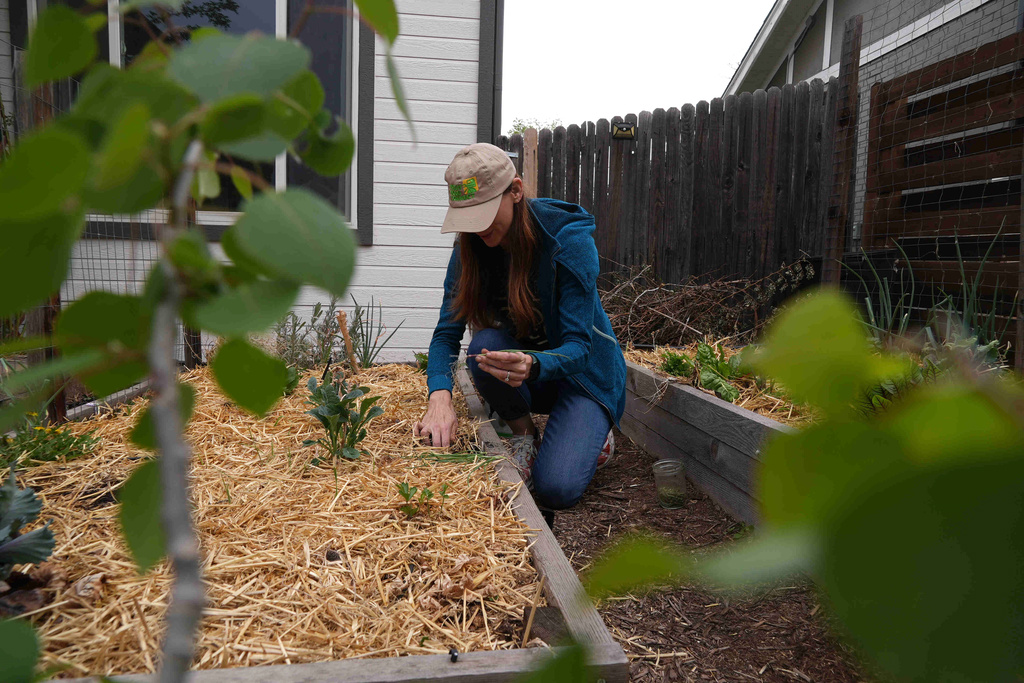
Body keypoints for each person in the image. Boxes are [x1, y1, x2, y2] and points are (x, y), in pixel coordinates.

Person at [414, 142, 627, 512]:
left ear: (515, 190)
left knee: (555, 489)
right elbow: (446, 334)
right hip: (529, 375)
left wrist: (534, 364)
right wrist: (439, 397)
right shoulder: (470, 248)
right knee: (484, 347)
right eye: (466, 217)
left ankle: (596, 434)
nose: (475, 229)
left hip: (584, 376)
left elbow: (580, 347)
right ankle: (525, 434)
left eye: (482, 213)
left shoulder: (569, 241)